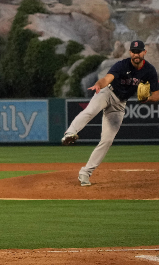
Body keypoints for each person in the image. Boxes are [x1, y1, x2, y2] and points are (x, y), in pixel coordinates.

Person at [63, 39, 156, 185]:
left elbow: (156, 94)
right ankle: (70, 133)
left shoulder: (149, 71)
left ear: (144, 52)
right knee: (91, 111)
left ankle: (85, 173)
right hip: (107, 93)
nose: (136, 54)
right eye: (133, 51)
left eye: (139, 51)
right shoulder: (122, 64)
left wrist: (147, 99)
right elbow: (107, 79)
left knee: (107, 140)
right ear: (130, 52)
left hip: (120, 104)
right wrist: (98, 84)